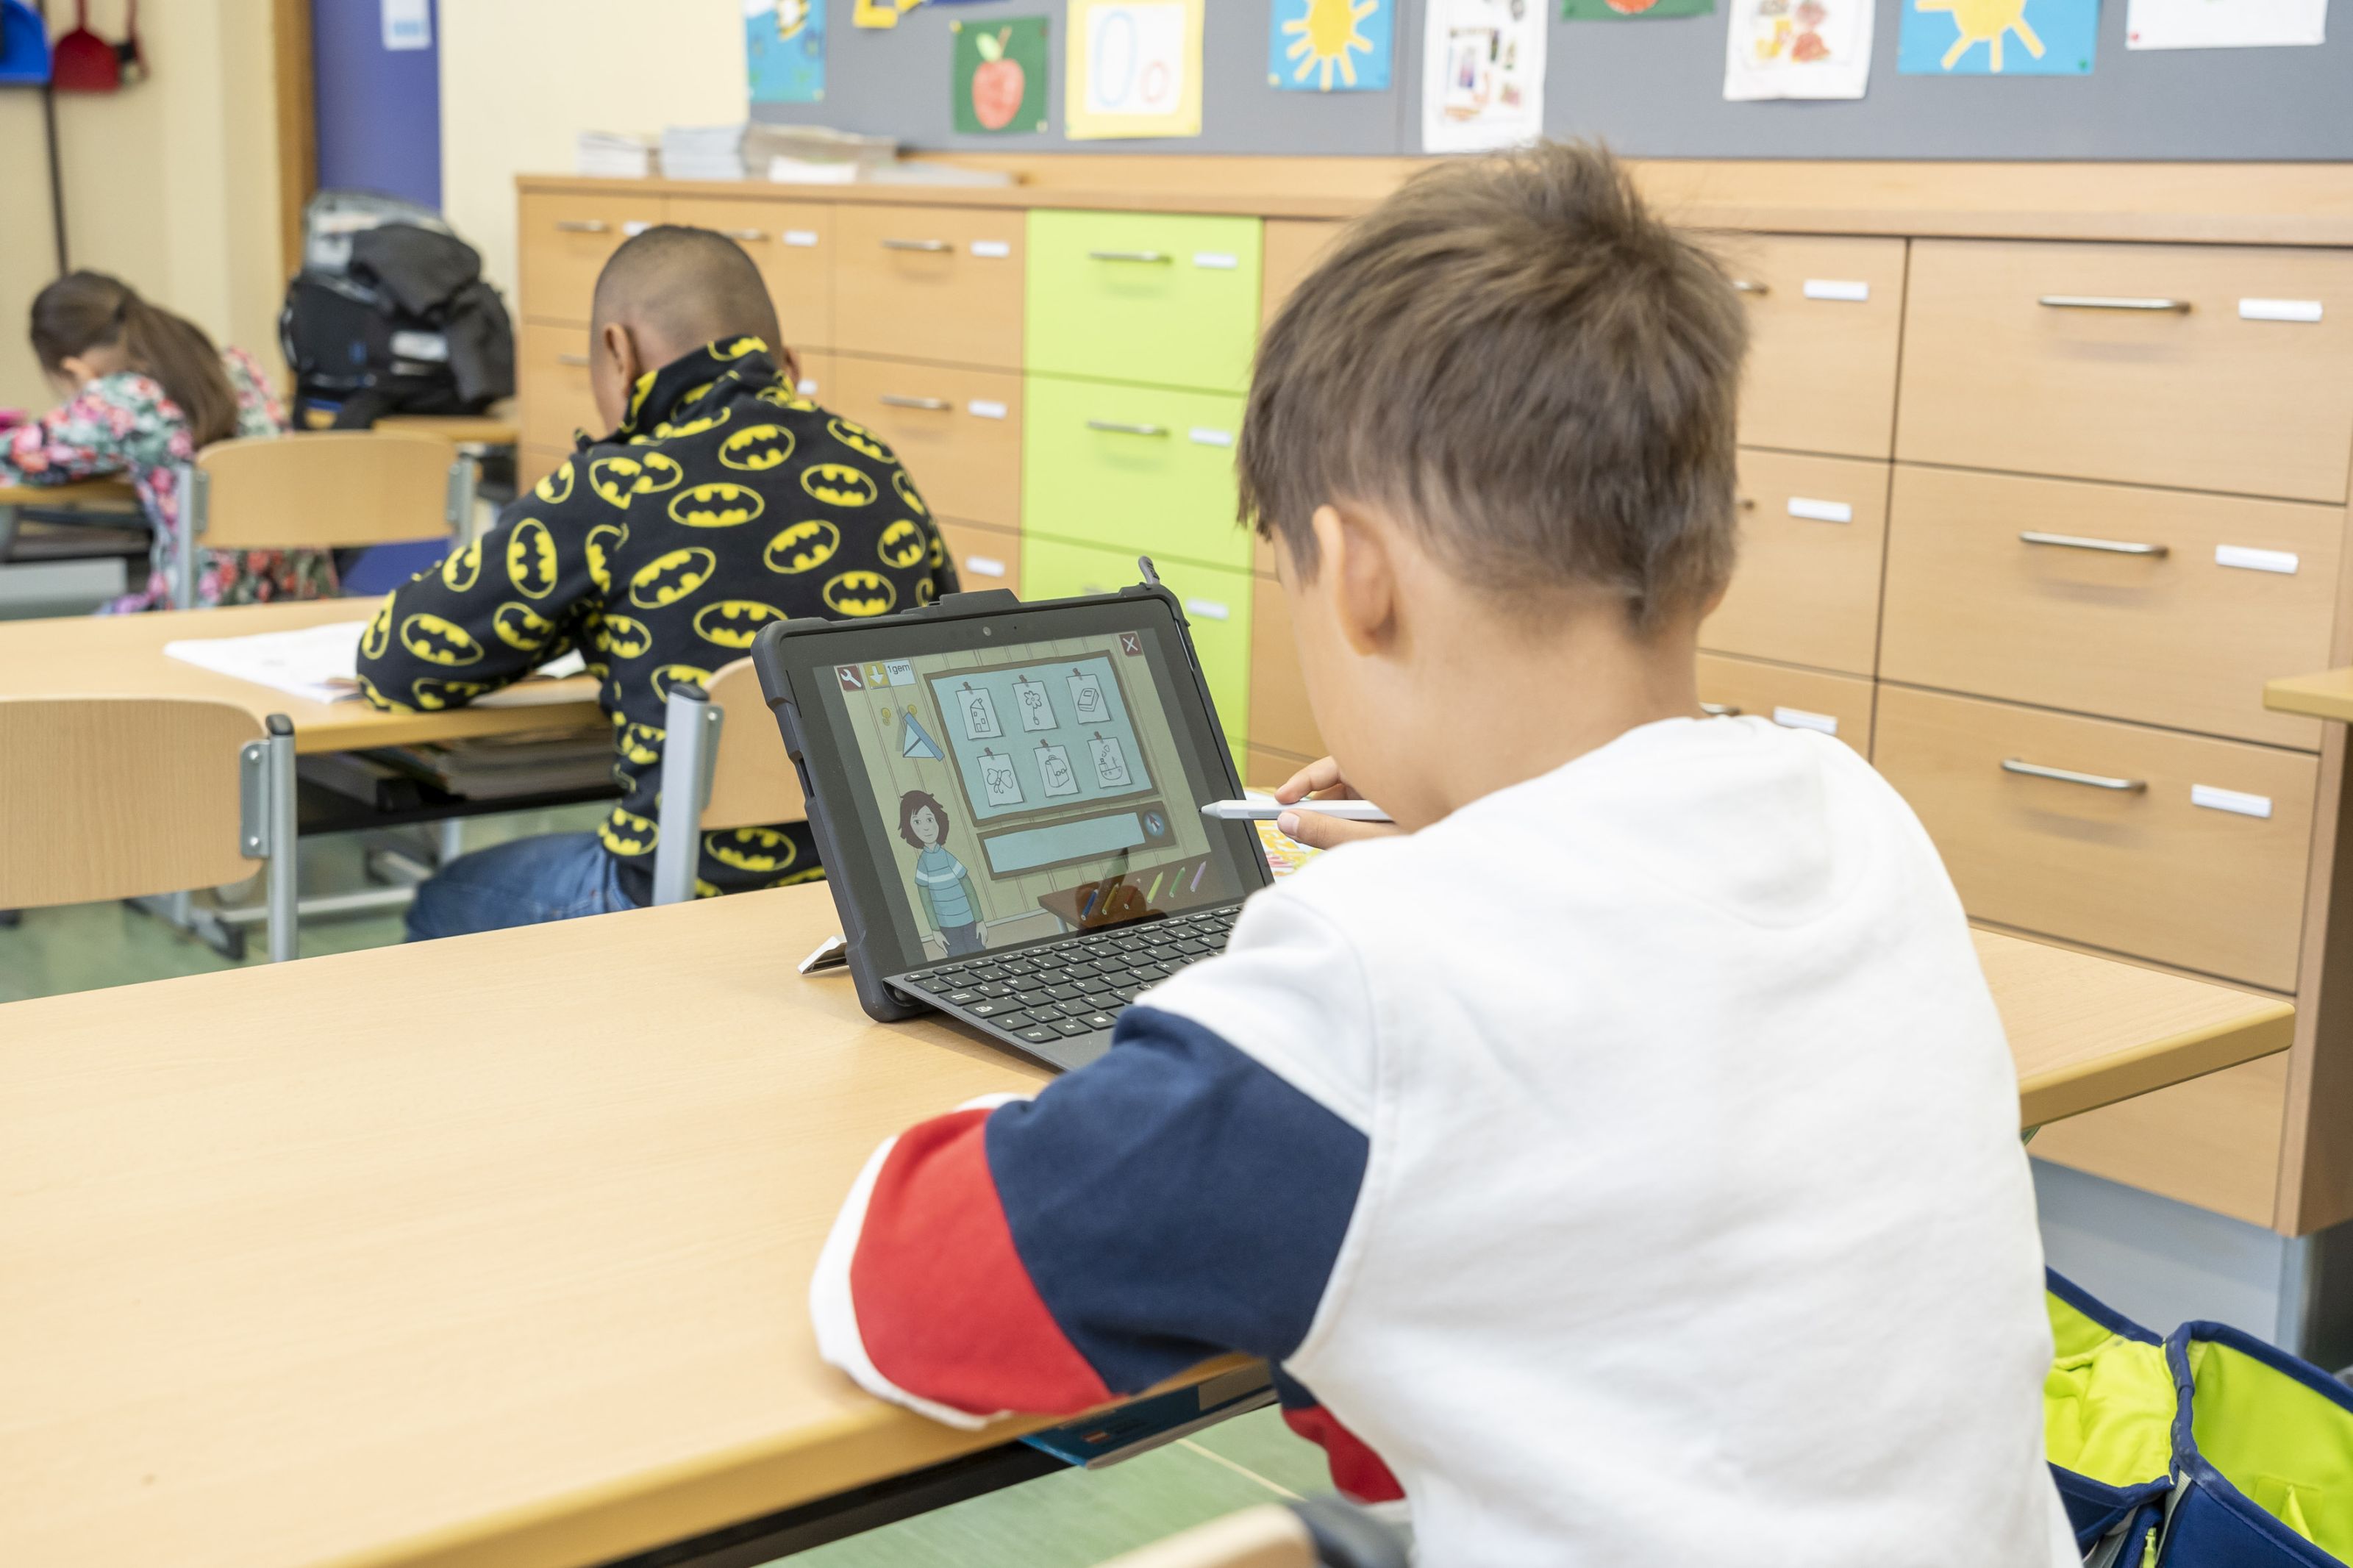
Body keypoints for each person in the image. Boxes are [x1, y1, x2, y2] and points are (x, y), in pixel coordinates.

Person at [805, 144, 2076, 1566]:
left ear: (1354, 574)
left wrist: (1309, 969)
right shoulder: (1857, 818)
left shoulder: (1375, 981)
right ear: (1710, 554)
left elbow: (904, 1294)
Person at [357, 226, 954, 939]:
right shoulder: (874, 464)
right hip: (874, 900)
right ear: (780, 361)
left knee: (448, 896)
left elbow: (396, 666)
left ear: (619, 352)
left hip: (677, 901)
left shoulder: (616, 486)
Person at [1, 272, 334, 611]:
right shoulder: (240, 365)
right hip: (308, 600)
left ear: (72, 368)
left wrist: (88, 396)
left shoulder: (118, 399)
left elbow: (17, 455)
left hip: (205, 612)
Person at [899, 790, 983, 956]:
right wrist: (935, 931)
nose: (926, 827)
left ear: (938, 821)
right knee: (958, 962)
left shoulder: (948, 858)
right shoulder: (923, 864)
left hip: (969, 921)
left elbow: (969, 890)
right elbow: (926, 901)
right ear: (910, 828)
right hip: (947, 926)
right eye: (917, 822)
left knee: (980, 956)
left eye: (929, 819)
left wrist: (980, 921)